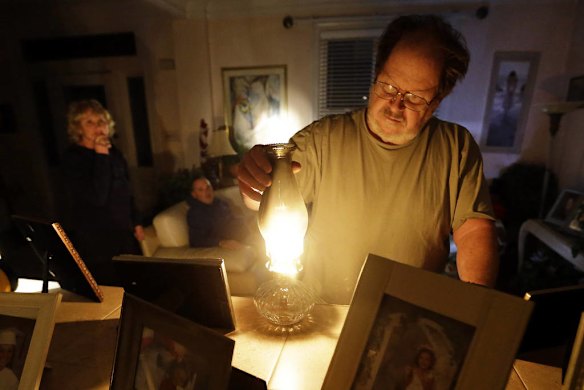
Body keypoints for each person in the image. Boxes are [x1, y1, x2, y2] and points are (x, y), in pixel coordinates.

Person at [237, 14, 499, 304]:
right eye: (388, 86)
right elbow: (265, 202)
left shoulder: (456, 148)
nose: (395, 105)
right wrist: (254, 181)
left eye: (413, 97)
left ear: (436, 101)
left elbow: (474, 230)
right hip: (325, 312)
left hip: (404, 317)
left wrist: (477, 307)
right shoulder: (322, 139)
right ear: (376, 76)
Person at [61, 99, 144, 286]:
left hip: (124, 233)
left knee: (137, 285)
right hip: (97, 240)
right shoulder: (73, 158)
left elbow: (126, 189)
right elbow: (98, 197)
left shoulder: (114, 153)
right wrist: (100, 155)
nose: (97, 126)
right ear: (78, 128)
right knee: (110, 292)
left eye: (101, 121)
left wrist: (136, 221)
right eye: (89, 122)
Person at [187, 176, 250, 250]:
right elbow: (196, 240)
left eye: (208, 187)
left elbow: (231, 218)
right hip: (233, 240)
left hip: (245, 233)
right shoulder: (195, 213)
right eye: (201, 190)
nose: (206, 192)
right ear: (194, 194)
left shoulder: (219, 203)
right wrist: (221, 242)